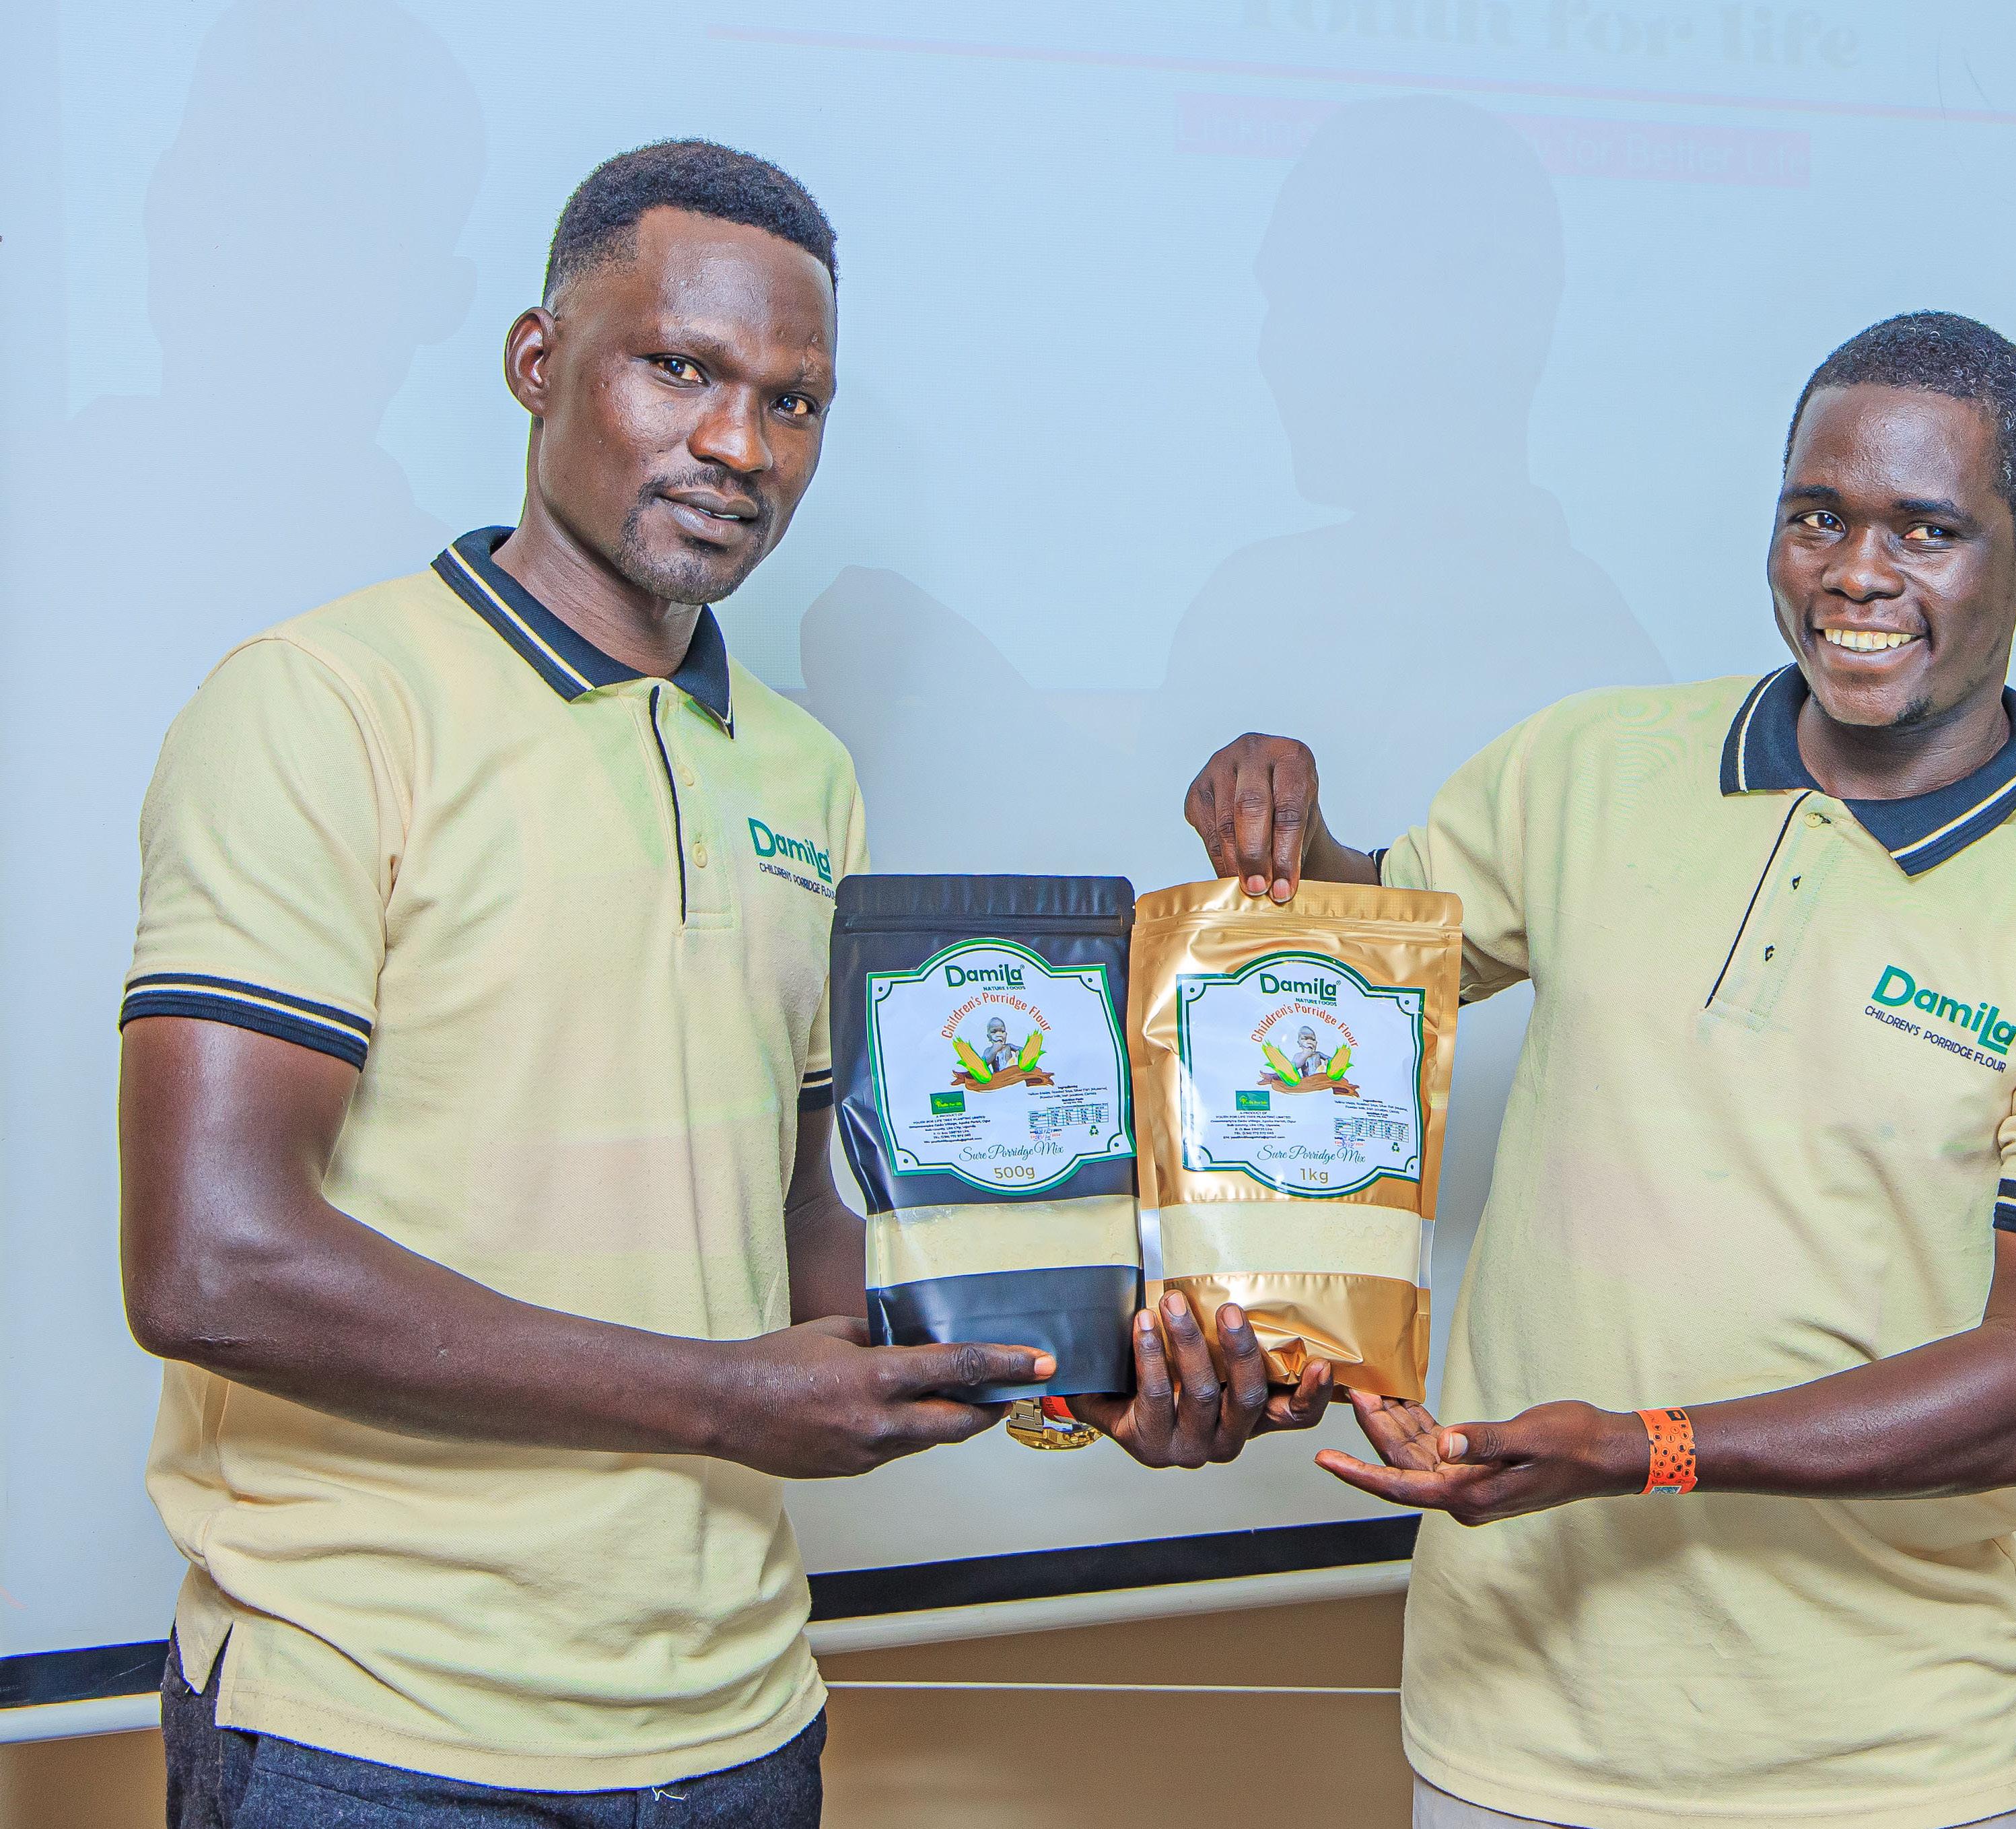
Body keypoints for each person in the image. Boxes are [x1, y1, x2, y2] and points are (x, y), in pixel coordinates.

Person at [120, 138, 1312, 1829]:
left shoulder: (803, 773)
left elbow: (795, 1213)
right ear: (539, 362)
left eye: (792, 401)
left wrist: (1074, 1364)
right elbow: (211, 1263)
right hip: (375, 1730)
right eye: (680, 369)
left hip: (738, 1719)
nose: (742, 446)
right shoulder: (322, 703)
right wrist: (721, 1396)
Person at [1184, 312, 2016, 1829]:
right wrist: (1285, 828)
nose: (1857, 574)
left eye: (1927, 529)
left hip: (1893, 1770)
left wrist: (1647, 1450)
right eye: (1817, 516)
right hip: (1511, 1735)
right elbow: (1357, 972)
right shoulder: (1584, 766)